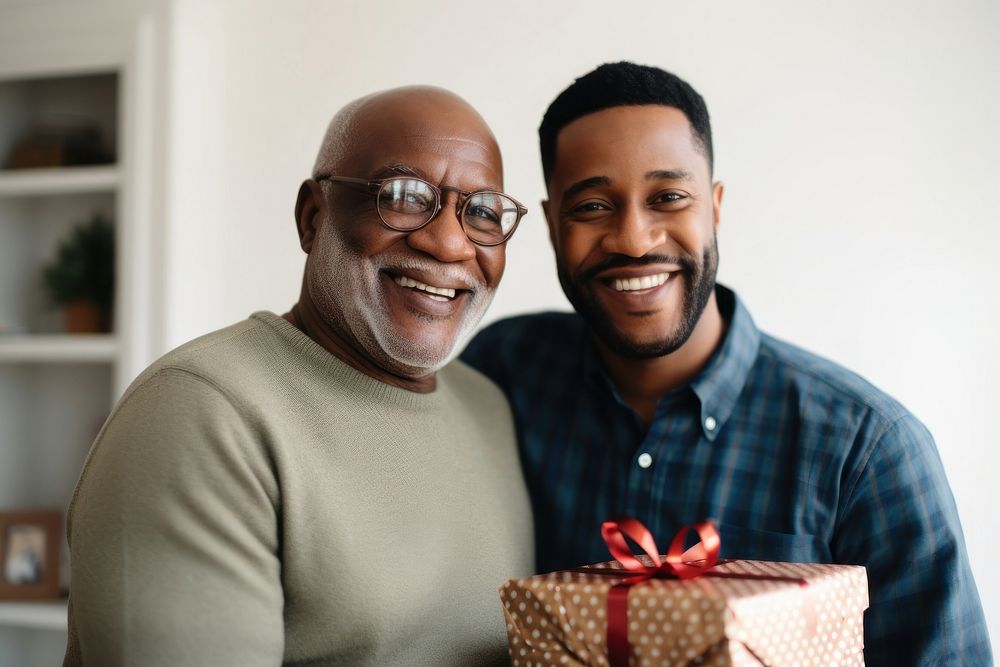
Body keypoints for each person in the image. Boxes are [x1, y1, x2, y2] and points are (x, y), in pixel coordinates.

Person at [461, 62, 992, 664]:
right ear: (554, 227)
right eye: (591, 206)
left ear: (714, 207)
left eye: (668, 197)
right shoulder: (505, 374)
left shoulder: (866, 451)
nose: (633, 238)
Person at [65, 86, 534, 666]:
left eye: (483, 211)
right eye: (405, 196)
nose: (448, 241)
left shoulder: (489, 405)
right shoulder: (200, 413)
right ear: (313, 218)